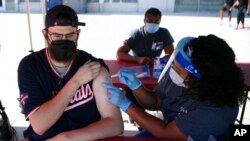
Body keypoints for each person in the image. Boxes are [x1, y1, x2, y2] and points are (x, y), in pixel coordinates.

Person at [102, 34, 246, 141]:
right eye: (174, 65)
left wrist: (126, 105)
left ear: (201, 81)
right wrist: (137, 86)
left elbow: (166, 133)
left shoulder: (215, 112)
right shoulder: (183, 79)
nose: (172, 71)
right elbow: (157, 102)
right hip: (167, 129)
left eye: (178, 70)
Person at [18, 5, 123, 141]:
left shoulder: (93, 66)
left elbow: (115, 124)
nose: (64, 40)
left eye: (70, 35)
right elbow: (40, 125)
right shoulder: (30, 66)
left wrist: (65, 138)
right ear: (45, 34)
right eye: (56, 35)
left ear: (78, 34)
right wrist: (76, 81)